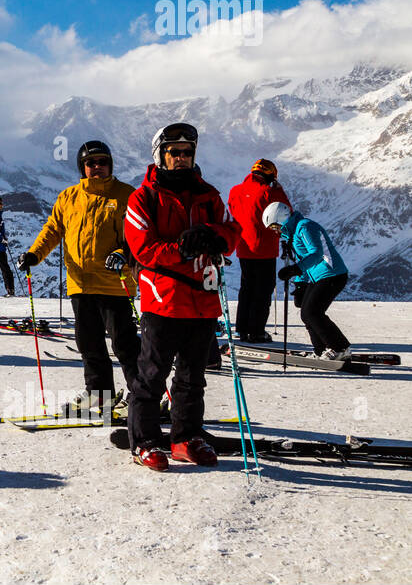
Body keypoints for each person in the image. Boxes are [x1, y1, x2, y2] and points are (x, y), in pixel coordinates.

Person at [124, 123, 240, 472]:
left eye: (187, 152)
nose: (181, 158)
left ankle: (185, 438)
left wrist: (215, 236)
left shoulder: (210, 195)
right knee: (152, 376)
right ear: (160, 155)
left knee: (193, 376)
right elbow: (143, 249)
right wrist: (183, 248)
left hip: (202, 300)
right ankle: (143, 442)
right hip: (163, 299)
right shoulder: (143, 197)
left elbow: (232, 230)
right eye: (174, 152)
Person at [19, 141, 140, 416]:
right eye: (91, 163)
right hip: (80, 283)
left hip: (114, 284)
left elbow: (137, 237)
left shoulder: (126, 196)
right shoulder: (69, 197)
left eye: (102, 162)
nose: (97, 167)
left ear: (110, 165)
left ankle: (144, 396)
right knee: (89, 343)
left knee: (125, 344)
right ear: (82, 167)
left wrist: (122, 253)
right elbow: (52, 230)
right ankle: (100, 396)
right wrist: (34, 255)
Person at [263, 202, 351, 359]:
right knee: (306, 314)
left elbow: (316, 254)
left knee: (313, 312)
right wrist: (300, 283)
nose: (275, 231)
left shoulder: (304, 227)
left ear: (282, 219)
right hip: (317, 276)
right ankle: (321, 350)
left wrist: (295, 269)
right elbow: (304, 258)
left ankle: (340, 348)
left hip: (332, 274)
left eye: (275, 227)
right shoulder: (292, 233)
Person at [227, 159, 291, 343]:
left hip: (243, 247)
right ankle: (256, 331)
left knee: (247, 288)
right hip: (264, 248)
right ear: (271, 175)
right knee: (262, 290)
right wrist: (278, 189)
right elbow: (285, 211)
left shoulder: (235, 191)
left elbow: (231, 212)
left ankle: (242, 328)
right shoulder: (270, 192)